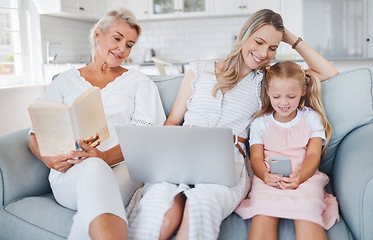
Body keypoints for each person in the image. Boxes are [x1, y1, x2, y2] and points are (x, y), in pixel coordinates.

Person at [126, 9, 339, 240]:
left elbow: (328, 71)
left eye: (272, 48)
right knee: (158, 209)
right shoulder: (199, 70)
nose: (263, 53)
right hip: (183, 154)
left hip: (228, 160)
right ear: (244, 34)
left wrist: (290, 38)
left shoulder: (266, 82)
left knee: (201, 204)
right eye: (258, 41)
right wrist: (162, 159)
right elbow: (174, 121)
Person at [28, 8, 166, 240]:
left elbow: (147, 137)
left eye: (130, 44)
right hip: (70, 174)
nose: (123, 48)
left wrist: (104, 158)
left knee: (96, 174)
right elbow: (34, 134)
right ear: (97, 35)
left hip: (123, 168)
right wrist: (48, 159)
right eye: (117, 38)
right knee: (92, 170)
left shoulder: (139, 83)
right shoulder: (64, 81)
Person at [235, 61, 339, 240]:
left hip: (305, 178)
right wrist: (265, 176)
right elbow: (256, 158)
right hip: (268, 180)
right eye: (276, 97)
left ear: (303, 91)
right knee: (263, 212)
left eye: (291, 97)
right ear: (267, 91)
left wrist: (301, 177)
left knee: (307, 209)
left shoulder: (311, 118)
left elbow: (313, 155)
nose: (283, 103)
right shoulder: (260, 123)